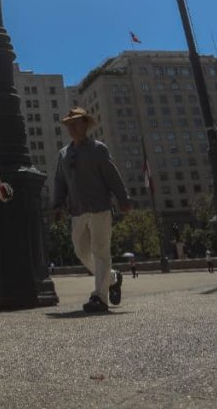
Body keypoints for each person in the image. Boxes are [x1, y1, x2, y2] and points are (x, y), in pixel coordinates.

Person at [53, 107, 132, 314]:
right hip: (77, 211)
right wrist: (57, 205)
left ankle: (100, 297)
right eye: (69, 124)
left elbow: (112, 176)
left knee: (100, 251)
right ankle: (113, 277)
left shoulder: (99, 149)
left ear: (86, 124)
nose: (72, 127)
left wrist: (123, 199)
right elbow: (60, 182)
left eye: (76, 122)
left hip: (100, 208)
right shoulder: (63, 154)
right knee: (80, 250)